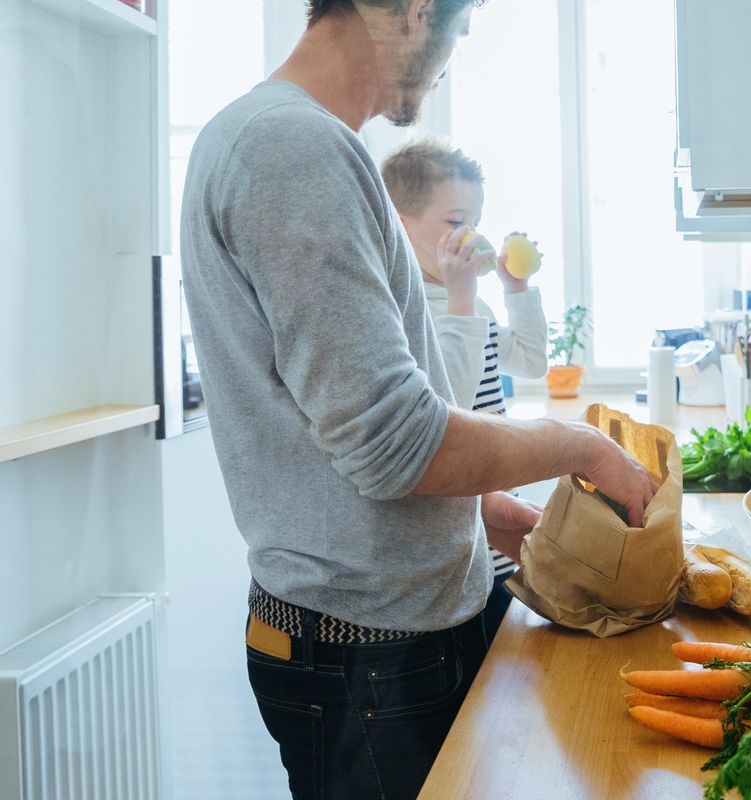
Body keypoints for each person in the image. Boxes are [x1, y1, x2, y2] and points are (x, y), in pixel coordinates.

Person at [178, 1, 657, 798]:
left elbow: (341, 435)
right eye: (457, 30)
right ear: (409, 10)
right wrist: (583, 445)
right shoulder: (291, 149)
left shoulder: (299, 144)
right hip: (369, 654)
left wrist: (486, 519)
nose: (452, 57)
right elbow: (397, 444)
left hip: (384, 638)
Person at [381, 139, 548, 643]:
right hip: (460, 529)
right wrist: (461, 297)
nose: (471, 235)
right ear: (400, 223)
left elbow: (533, 361)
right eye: (455, 221)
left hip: (496, 526)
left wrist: (514, 289)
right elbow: (441, 402)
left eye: (474, 220)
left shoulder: (472, 306)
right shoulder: (406, 311)